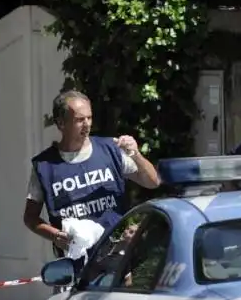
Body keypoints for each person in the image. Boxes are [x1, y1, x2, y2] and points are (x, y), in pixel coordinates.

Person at [23, 90, 161, 257]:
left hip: (116, 257)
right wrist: (56, 236)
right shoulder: (44, 166)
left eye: (89, 117)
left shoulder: (111, 150)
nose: (87, 124)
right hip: (75, 261)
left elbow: (152, 182)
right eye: (80, 120)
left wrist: (136, 155)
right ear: (61, 123)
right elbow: (30, 218)